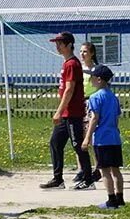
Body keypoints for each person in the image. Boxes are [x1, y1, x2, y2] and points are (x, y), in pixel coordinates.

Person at [40, 32, 94, 191]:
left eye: (60, 43)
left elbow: (69, 90)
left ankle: (88, 180)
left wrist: (58, 111)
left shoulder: (72, 64)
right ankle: (58, 179)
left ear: (69, 44)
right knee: (55, 143)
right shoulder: (67, 63)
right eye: (57, 43)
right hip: (66, 114)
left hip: (73, 113)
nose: (58, 46)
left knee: (78, 146)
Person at [83, 65, 124, 209]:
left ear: (99, 80)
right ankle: (120, 198)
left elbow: (94, 118)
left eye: (91, 77)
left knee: (105, 171)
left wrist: (87, 138)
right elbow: (117, 117)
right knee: (116, 170)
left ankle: (111, 200)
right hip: (114, 137)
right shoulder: (113, 97)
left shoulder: (95, 97)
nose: (90, 80)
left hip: (102, 138)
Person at [77, 42, 101, 184]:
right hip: (79, 103)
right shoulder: (78, 68)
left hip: (91, 103)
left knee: (91, 137)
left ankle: (98, 168)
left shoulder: (96, 69)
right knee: (78, 137)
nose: (82, 54)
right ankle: (81, 169)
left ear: (92, 53)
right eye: (81, 51)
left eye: (85, 51)